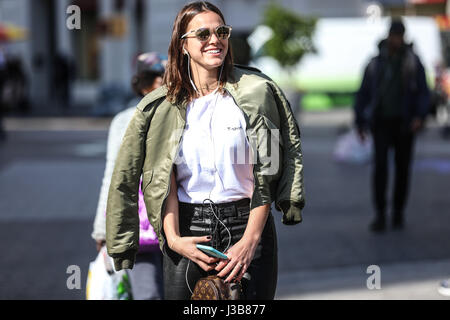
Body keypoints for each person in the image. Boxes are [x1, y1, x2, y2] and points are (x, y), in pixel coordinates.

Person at [106, 1, 305, 300]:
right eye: (203, 34)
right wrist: (174, 239)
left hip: (248, 226)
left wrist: (251, 239)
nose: (215, 40)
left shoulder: (258, 92)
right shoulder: (162, 106)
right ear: (183, 45)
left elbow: (269, 169)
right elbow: (162, 177)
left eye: (221, 31)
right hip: (188, 230)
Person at [92, 52, 167, 299]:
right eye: (152, 78)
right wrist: (103, 230)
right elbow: (114, 176)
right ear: (142, 84)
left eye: (165, 76)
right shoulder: (125, 120)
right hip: (141, 229)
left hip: (183, 225)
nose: (160, 83)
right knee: (149, 295)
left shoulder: (187, 114)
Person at [354, 18, 430, 232]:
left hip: (405, 124)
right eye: (394, 35)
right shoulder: (376, 62)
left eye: (400, 35)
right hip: (381, 122)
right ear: (389, 35)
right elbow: (364, 93)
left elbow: (423, 92)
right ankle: (380, 214)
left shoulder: (412, 61)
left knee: (403, 170)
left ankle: (397, 212)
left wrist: (419, 116)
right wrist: (360, 121)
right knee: (380, 169)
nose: (396, 39)